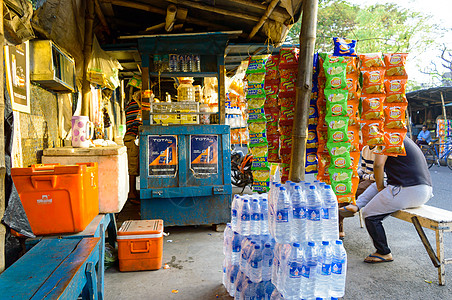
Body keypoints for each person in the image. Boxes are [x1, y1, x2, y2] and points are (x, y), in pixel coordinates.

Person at [340, 137, 433, 263]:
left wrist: (380, 189)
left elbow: (378, 165)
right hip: (422, 190)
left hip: (408, 189)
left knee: (369, 213)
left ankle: (383, 252)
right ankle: (356, 205)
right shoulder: (400, 137)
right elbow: (380, 180)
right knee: (377, 187)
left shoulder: (387, 138)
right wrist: (378, 188)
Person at [338, 145, 376, 239]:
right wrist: (352, 174)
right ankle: (339, 227)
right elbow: (363, 169)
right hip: (365, 177)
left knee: (352, 191)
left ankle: (339, 226)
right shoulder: (365, 149)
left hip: (374, 181)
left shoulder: (380, 149)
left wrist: (362, 177)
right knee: (343, 188)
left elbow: (379, 175)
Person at [124, 90, 142, 204]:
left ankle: (133, 192)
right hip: (132, 138)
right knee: (133, 167)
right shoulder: (134, 105)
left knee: (135, 166)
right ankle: (131, 193)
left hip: (134, 138)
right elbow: (138, 122)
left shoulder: (135, 104)